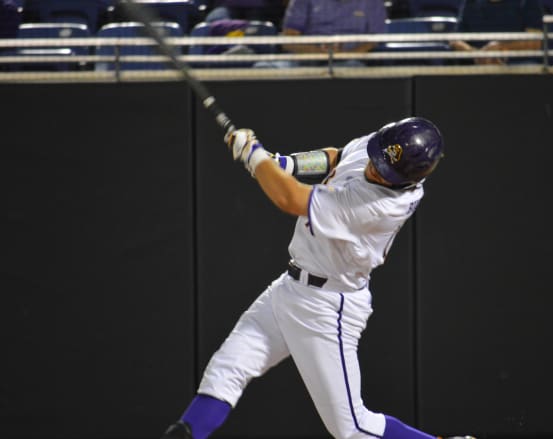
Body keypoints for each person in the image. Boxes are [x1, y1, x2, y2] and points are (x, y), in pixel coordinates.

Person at [160, 117, 477, 439]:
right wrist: (283, 163)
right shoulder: (385, 149)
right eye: (379, 160)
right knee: (226, 369)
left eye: (386, 172)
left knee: (352, 429)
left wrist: (255, 157)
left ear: (408, 180)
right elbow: (339, 156)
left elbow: (291, 199)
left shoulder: (380, 207)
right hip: (290, 287)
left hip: (328, 306)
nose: (375, 170)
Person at [258, 0, 387, 67]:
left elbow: (374, 40)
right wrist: (319, 52)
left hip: (350, 61)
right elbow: (288, 40)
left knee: (351, 71)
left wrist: (345, 55)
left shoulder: (373, 2)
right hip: (305, 59)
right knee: (263, 67)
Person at [450, 0, 544, 65]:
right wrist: (477, 55)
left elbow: (535, 43)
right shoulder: (470, 2)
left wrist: (501, 48)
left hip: (518, 65)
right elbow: (455, 41)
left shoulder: (526, 2)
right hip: (480, 66)